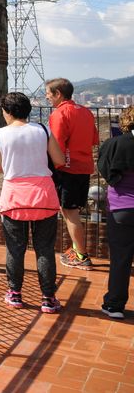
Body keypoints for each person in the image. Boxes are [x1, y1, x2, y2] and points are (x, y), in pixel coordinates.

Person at [0, 91, 66, 313]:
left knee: (15, 249)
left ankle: (15, 293)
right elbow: (59, 160)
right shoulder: (42, 130)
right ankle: (48, 298)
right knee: (45, 249)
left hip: (14, 196)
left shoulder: (0, 134)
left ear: (7, 112)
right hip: (43, 195)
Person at [45, 77, 100, 269]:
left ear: (58, 94)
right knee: (71, 211)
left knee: (70, 212)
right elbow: (94, 139)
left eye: (48, 94)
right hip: (84, 166)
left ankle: (82, 256)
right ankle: (77, 249)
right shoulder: (85, 112)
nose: (47, 97)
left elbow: (56, 145)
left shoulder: (59, 114)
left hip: (67, 169)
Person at [97, 105, 134, 320]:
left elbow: (104, 168)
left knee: (120, 259)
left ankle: (114, 305)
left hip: (121, 207)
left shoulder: (113, 144)